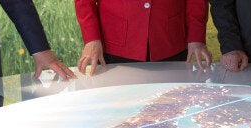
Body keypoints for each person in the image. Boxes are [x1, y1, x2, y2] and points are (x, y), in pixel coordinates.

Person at [74, 0, 212, 76]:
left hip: (168, 41)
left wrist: (196, 37)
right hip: (114, 43)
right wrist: (91, 38)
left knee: (169, 110)